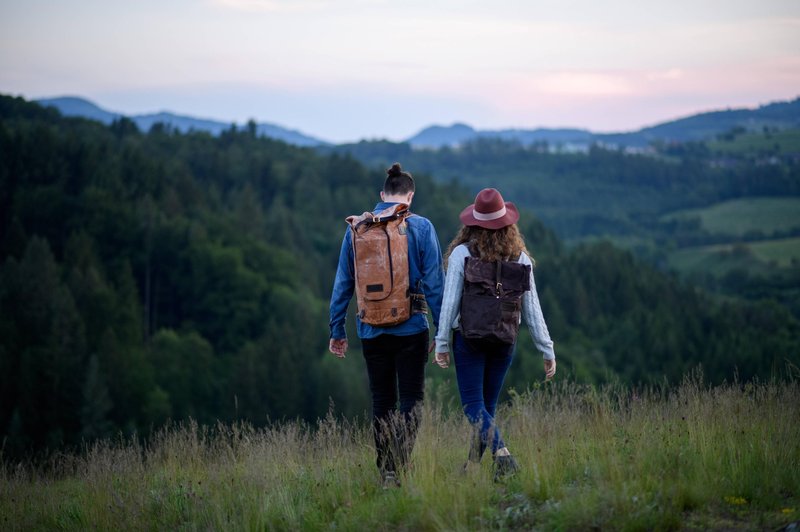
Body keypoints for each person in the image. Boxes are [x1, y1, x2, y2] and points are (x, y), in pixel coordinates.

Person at [329, 163, 444, 488]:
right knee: (411, 399)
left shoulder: (356, 229)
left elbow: (343, 283)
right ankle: (400, 463)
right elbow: (435, 283)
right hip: (411, 328)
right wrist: (442, 331)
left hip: (371, 330)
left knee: (382, 401)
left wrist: (337, 329)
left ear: (382, 195)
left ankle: (386, 471)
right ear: (410, 196)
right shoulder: (420, 227)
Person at [434, 187, 556, 481]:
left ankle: (503, 455)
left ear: (473, 222)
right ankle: (473, 467)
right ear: (507, 223)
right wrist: (547, 348)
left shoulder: (463, 253)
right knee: (486, 407)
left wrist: (441, 342)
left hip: (470, 340)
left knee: (473, 406)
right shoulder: (520, 257)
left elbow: (450, 302)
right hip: (504, 340)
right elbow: (532, 308)